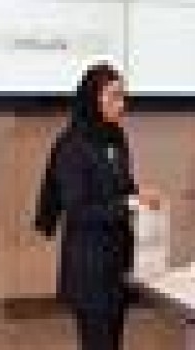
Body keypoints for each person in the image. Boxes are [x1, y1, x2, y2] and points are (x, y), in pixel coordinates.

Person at [35, 62, 161, 350]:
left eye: (123, 96)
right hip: (89, 266)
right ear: (93, 98)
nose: (122, 104)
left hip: (118, 260)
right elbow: (78, 210)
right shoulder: (72, 145)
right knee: (98, 342)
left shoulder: (116, 136)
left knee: (113, 341)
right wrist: (127, 204)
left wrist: (140, 194)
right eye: (114, 96)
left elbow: (122, 187)